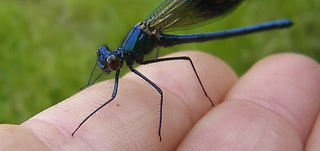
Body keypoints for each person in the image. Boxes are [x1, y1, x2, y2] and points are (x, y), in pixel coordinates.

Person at [0, 51, 319, 150]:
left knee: (179, 71)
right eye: (109, 64)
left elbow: (158, 92)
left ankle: (206, 93)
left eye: (111, 64)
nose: (108, 66)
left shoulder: (130, 58)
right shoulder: (120, 57)